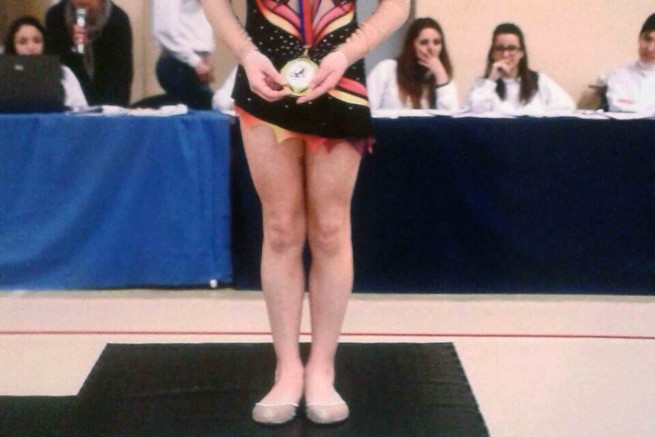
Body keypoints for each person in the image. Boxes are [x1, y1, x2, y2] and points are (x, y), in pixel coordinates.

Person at [200, 0, 409, 425]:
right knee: (280, 228)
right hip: (265, 79)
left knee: (330, 229)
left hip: (339, 77)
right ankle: (288, 367)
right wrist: (246, 53)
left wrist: (347, 53)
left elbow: (397, 6)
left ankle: (322, 367)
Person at [465, 23, 575, 114]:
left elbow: (567, 107)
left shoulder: (539, 80)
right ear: (492, 53)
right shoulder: (482, 85)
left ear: (521, 53)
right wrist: (491, 80)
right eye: (499, 48)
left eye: (511, 48)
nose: (505, 54)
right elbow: (476, 112)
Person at [45, 0, 133, 106]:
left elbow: (121, 76)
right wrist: (74, 49)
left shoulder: (117, 19)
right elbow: (54, 69)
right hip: (69, 104)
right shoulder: (56, 16)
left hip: (108, 103)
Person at [367, 17, 459, 111]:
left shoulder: (443, 79)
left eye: (436, 42)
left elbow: (450, 116)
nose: (431, 48)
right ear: (412, 45)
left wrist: (440, 75)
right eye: (424, 43)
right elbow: (365, 108)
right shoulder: (387, 69)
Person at [3, 16, 87, 108]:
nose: (31, 47)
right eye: (23, 42)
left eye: (37, 41)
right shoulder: (3, 74)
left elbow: (81, 109)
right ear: (12, 46)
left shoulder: (64, 72)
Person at [152, 0, 216, 109]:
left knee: (204, 108)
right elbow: (164, 30)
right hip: (179, 64)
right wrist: (195, 61)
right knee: (205, 109)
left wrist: (202, 59)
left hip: (191, 62)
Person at [606, 13, 655, 113]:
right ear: (639, 39)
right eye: (647, 39)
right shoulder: (619, 76)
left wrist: (634, 106)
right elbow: (617, 107)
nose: (650, 48)